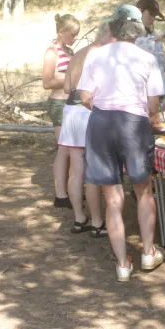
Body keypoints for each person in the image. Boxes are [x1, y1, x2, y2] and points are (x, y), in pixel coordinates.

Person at [77, 6, 165, 282]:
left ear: (114, 28)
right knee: (143, 191)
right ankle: (148, 252)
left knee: (112, 198)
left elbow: (84, 97)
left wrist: (105, 110)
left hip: (101, 123)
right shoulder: (147, 58)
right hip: (133, 124)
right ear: (137, 31)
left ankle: (122, 265)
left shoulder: (96, 55)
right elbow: (153, 104)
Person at [59, 22, 113, 236]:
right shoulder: (100, 54)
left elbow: (66, 87)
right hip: (87, 111)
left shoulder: (79, 52)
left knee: (76, 169)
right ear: (110, 35)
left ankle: (80, 217)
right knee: (91, 169)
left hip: (70, 111)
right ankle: (98, 222)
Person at [42, 14, 80, 208]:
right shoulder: (52, 51)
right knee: (63, 150)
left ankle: (70, 189)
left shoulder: (70, 50)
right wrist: (69, 79)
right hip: (59, 104)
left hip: (72, 103)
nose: (74, 38)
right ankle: (60, 194)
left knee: (72, 149)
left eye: (76, 35)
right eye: (72, 34)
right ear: (61, 32)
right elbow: (47, 81)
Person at [134, 0, 165, 97]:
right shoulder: (129, 32)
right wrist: (157, 38)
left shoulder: (152, 34)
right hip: (141, 90)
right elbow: (134, 46)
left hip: (157, 88)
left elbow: (159, 64)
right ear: (139, 12)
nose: (153, 19)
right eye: (150, 14)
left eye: (155, 16)